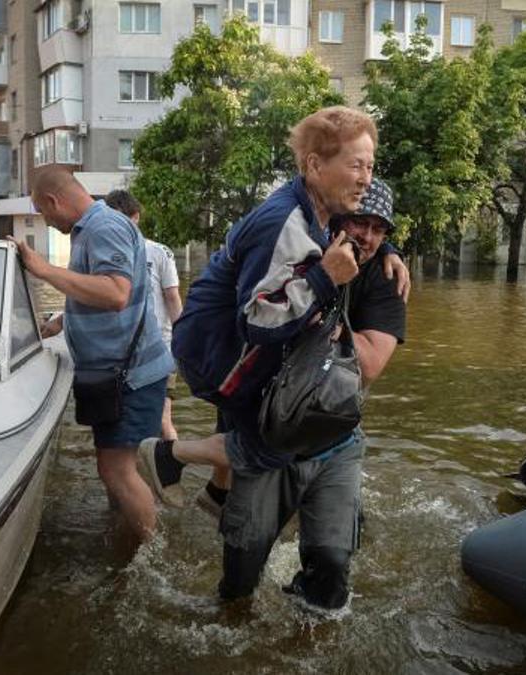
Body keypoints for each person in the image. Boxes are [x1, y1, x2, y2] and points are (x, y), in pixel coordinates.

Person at [139, 107, 408, 610]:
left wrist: (386, 247)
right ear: (313, 166)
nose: (366, 177)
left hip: (254, 369)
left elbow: (356, 234)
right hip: (221, 359)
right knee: (267, 450)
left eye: (371, 167)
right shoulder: (289, 224)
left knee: (276, 460)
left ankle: (216, 495)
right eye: (357, 167)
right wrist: (327, 278)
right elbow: (256, 322)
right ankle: (168, 457)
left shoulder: (323, 218)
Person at [11, 166, 174, 548]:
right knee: (119, 469)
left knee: (115, 469)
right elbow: (106, 296)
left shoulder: (104, 227)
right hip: (119, 375)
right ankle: (126, 538)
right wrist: (63, 322)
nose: (48, 223)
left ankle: (157, 556)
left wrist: (43, 269)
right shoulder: (93, 229)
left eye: (44, 213)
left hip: (131, 376)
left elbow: (115, 293)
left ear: (53, 201)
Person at [104, 189, 184, 441]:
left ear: (135, 217)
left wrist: (184, 339)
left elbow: (172, 297)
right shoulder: (105, 253)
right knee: (124, 424)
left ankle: (170, 474)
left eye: (121, 219)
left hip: (159, 348)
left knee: (162, 420)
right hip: (121, 353)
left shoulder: (159, 251)